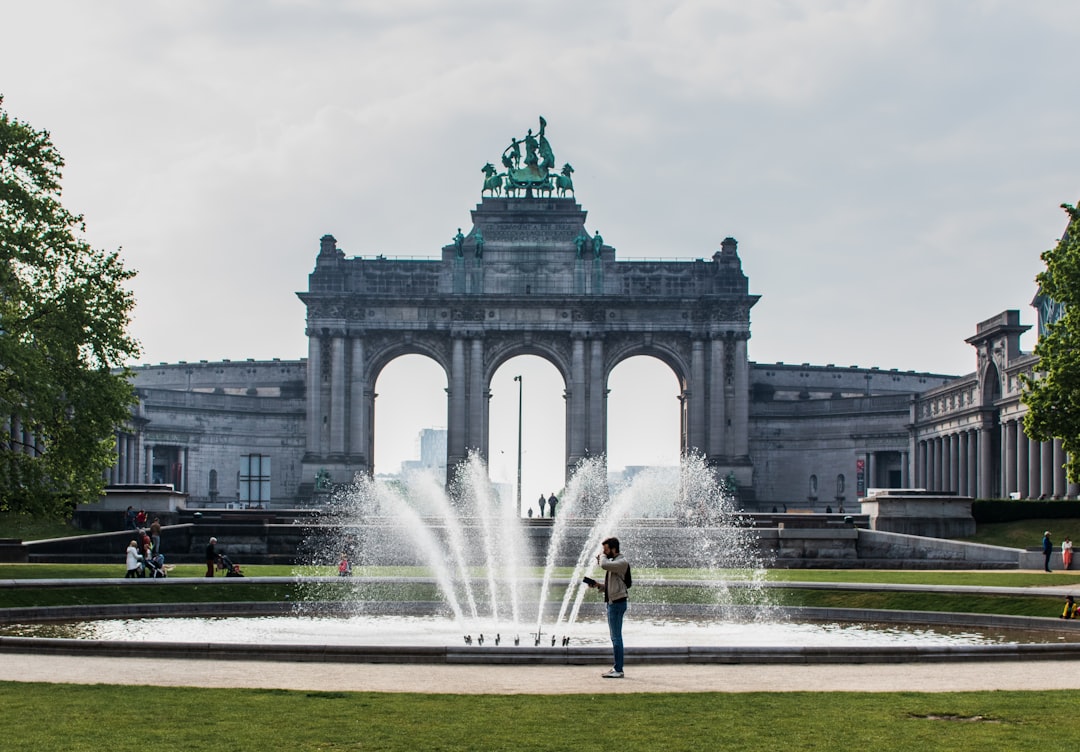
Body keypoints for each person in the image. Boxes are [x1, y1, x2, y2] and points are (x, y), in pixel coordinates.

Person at [585, 536, 629, 678]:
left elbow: (603, 564)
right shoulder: (614, 563)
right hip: (613, 603)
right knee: (615, 637)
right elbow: (613, 586)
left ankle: (619, 669)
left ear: (613, 549)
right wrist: (599, 586)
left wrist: (602, 556)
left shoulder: (622, 562)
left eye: (606, 549)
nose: (604, 552)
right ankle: (617, 667)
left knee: (616, 638)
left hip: (617, 604)